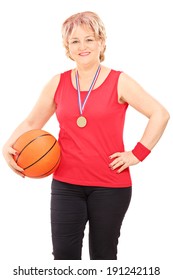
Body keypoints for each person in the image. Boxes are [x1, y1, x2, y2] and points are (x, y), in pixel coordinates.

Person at [2, 11, 170, 260]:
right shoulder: (56, 83)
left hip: (110, 186)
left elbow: (160, 113)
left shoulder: (120, 81)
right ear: (67, 48)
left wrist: (138, 154)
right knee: (63, 258)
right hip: (66, 185)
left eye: (89, 39)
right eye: (75, 41)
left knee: (103, 257)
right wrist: (7, 146)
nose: (83, 46)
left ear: (101, 42)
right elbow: (31, 122)